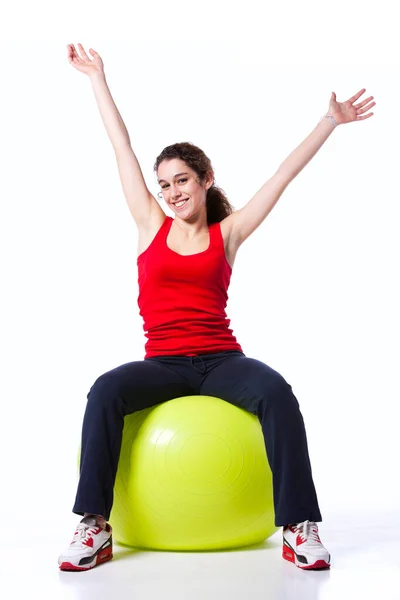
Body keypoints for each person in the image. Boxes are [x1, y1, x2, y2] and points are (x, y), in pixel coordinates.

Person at [59, 43, 375, 572]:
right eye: (164, 184)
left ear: (205, 180)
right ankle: (94, 525)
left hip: (221, 360)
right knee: (106, 389)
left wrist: (329, 121)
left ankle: (299, 527)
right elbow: (122, 149)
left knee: (276, 392)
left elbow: (282, 176)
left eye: (182, 180)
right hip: (162, 364)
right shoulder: (148, 227)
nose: (171, 192)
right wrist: (97, 79)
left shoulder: (228, 233)